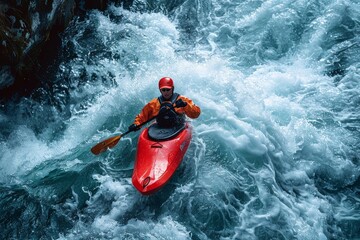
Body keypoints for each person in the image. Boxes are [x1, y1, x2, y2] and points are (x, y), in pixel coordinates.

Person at [128, 77, 201, 131]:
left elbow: (196, 114)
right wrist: (136, 124)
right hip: (161, 128)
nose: (166, 92)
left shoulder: (182, 99)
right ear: (160, 90)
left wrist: (185, 105)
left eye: (168, 89)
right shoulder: (154, 103)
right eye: (163, 90)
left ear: (172, 88)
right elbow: (142, 117)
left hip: (179, 126)